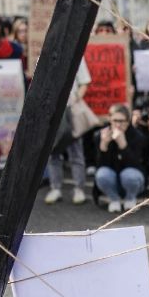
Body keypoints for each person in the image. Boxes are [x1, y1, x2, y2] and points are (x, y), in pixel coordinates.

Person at [45, 58, 92, 206]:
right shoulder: (44, 55)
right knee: (52, 151)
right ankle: (55, 188)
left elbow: (84, 82)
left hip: (71, 109)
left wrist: (75, 99)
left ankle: (79, 188)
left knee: (75, 150)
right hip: (52, 111)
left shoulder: (77, 57)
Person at [95, 104, 146, 212]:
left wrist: (123, 146)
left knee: (129, 174)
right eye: (115, 120)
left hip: (132, 181)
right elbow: (100, 166)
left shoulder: (137, 136)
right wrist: (103, 146)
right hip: (111, 180)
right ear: (110, 119)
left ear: (128, 121)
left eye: (122, 121)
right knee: (102, 174)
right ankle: (114, 199)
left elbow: (136, 165)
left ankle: (130, 198)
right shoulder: (100, 135)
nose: (118, 124)